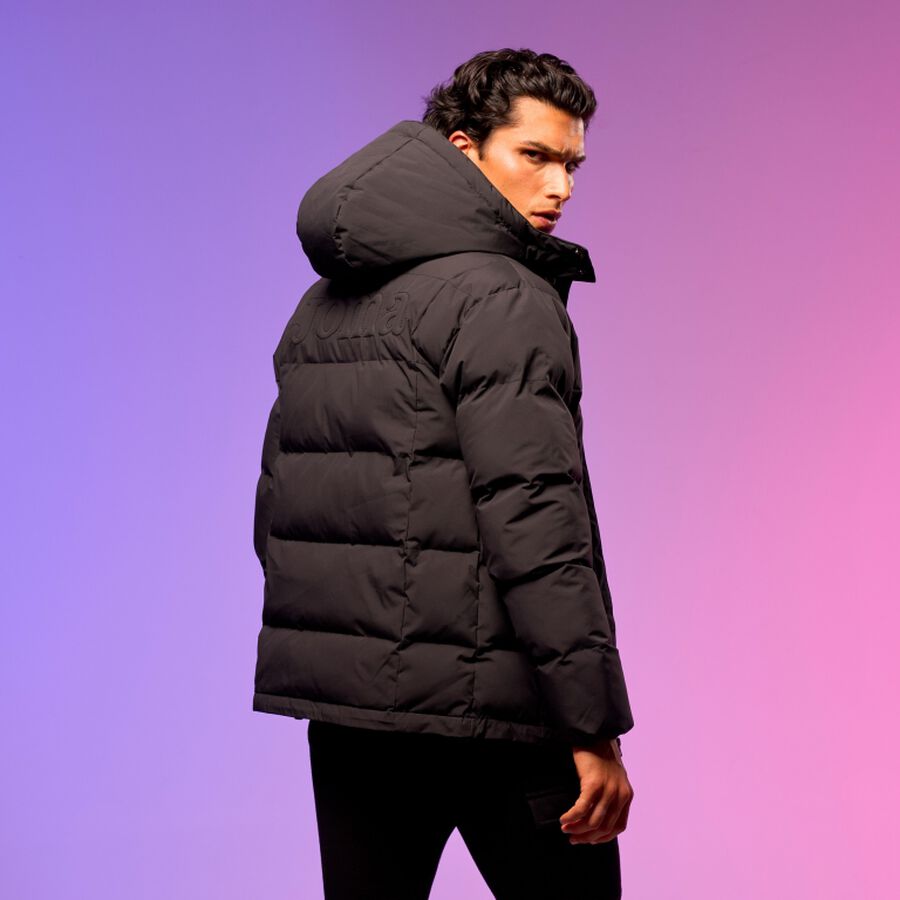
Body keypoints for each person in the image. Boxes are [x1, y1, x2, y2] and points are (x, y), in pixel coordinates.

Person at [252, 47, 636, 898]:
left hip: (352, 716)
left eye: (572, 164)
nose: (560, 187)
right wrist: (592, 724)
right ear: (464, 148)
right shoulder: (503, 294)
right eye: (534, 155)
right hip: (497, 709)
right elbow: (538, 519)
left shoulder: (325, 302)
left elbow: (276, 508)